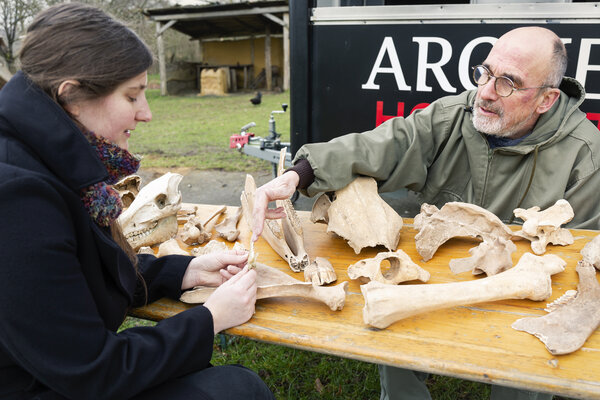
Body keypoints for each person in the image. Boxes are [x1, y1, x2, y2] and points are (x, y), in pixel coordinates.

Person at [251, 26, 600, 400]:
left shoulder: (586, 156)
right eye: (485, 72)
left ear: (546, 99)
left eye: (507, 84)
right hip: (433, 270)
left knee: (524, 371)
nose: (484, 92)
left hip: (518, 289)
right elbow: (384, 144)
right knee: (391, 312)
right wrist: (297, 175)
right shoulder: (453, 116)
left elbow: (574, 268)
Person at [0, 3, 274, 400]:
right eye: (132, 97)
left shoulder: (46, 161)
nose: (146, 113)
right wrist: (210, 319)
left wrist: (185, 272)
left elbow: (73, 273)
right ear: (72, 95)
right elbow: (91, 371)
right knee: (236, 390)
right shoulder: (17, 201)